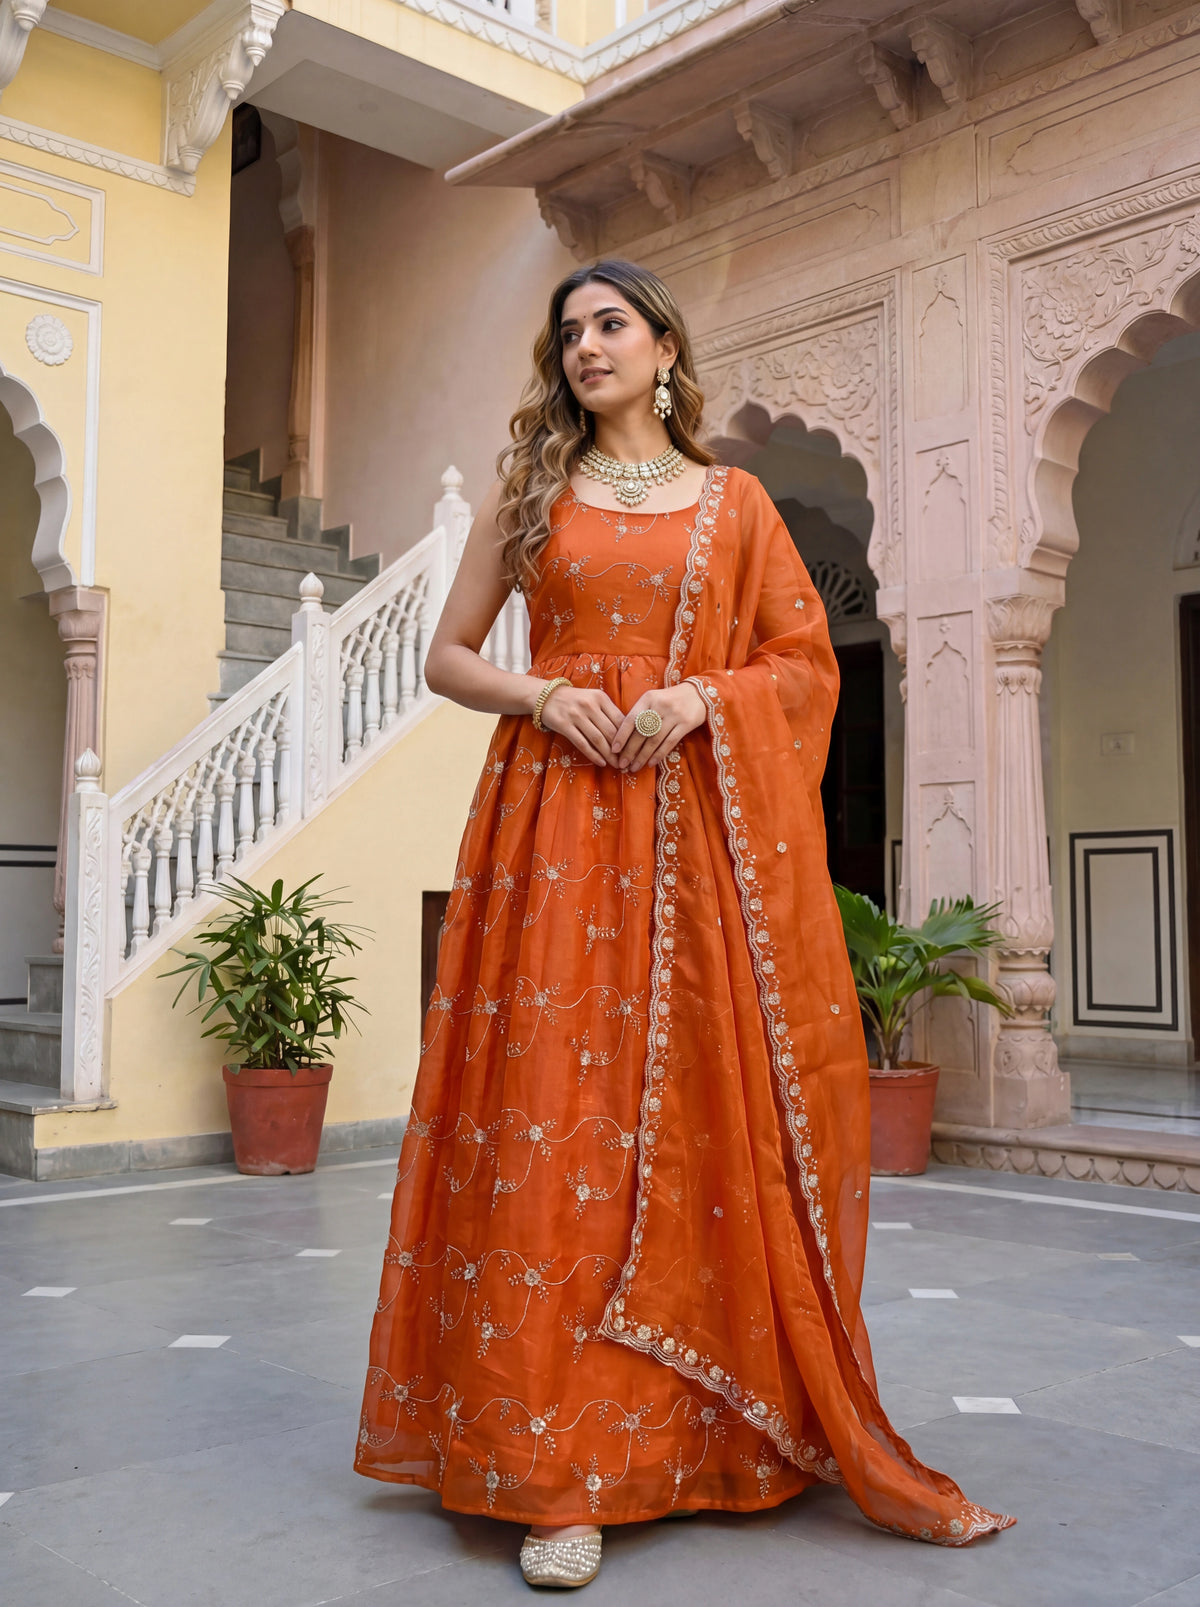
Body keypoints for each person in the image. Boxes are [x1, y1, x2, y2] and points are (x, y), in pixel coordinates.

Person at [354, 258, 1014, 1588]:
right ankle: (552, 1465)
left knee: (699, 1116)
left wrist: (705, 701)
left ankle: (706, 1433)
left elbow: (801, 662)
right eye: (569, 333)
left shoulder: (739, 503)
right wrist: (544, 701)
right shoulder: (534, 490)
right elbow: (449, 652)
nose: (587, 347)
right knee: (552, 1116)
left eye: (611, 325)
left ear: (664, 348)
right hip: (552, 837)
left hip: (693, 853)